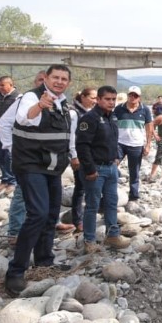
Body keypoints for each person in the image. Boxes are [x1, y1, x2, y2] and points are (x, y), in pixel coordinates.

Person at [4, 64, 79, 297]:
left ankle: (44, 259)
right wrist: (39, 106)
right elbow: (24, 119)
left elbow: (68, 136)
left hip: (53, 167)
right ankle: (16, 271)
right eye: (55, 77)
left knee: (51, 213)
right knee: (37, 213)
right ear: (46, 78)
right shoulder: (31, 97)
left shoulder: (65, 106)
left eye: (64, 79)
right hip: (31, 165)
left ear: (68, 82)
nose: (59, 81)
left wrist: (73, 156)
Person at [76, 86, 131, 254]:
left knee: (111, 203)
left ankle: (112, 235)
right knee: (92, 205)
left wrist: (116, 158)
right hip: (95, 169)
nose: (111, 102)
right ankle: (89, 240)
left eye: (114, 99)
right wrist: (90, 170)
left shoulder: (112, 117)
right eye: (107, 99)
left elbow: (113, 140)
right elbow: (82, 146)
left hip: (111, 167)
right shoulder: (89, 118)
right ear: (98, 99)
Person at [113, 86, 152, 201]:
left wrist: (148, 145)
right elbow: (112, 125)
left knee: (134, 171)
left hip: (136, 145)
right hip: (119, 144)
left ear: (139, 97)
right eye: (131, 95)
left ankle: (133, 195)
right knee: (111, 166)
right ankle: (110, 191)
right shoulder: (119, 109)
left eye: (135, 95)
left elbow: (149, 128)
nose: (133, 97)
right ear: (127, 95)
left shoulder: (145, 110)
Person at [70, 87, 97, 232]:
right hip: (80, 155)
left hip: (92, 154)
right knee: (80, 188)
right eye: (92, 98)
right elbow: (72, 136)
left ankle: (91, 215)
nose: (95, 101)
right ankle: (77, 219)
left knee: (93, 187)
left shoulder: (92, 112)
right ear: (83, 97)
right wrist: (74, 156)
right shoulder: (75, 113)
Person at [0, 76, 20, 193]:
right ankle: (4, 179)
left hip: (11, 133)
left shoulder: (18, 98)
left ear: (10, 85)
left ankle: (12, 181)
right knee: (1, 156)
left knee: (10, 157)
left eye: (2, 85)